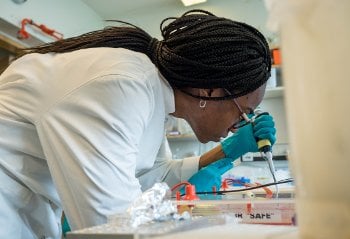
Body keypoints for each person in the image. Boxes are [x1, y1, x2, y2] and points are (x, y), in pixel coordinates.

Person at [0, 9, 276, 239]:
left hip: (29, 210)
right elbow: (116, 224)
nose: (239, 125)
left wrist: (226, 153)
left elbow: (152, 174)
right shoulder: (123, 86)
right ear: (210, 92)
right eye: (244, 113)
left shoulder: (156, 95)